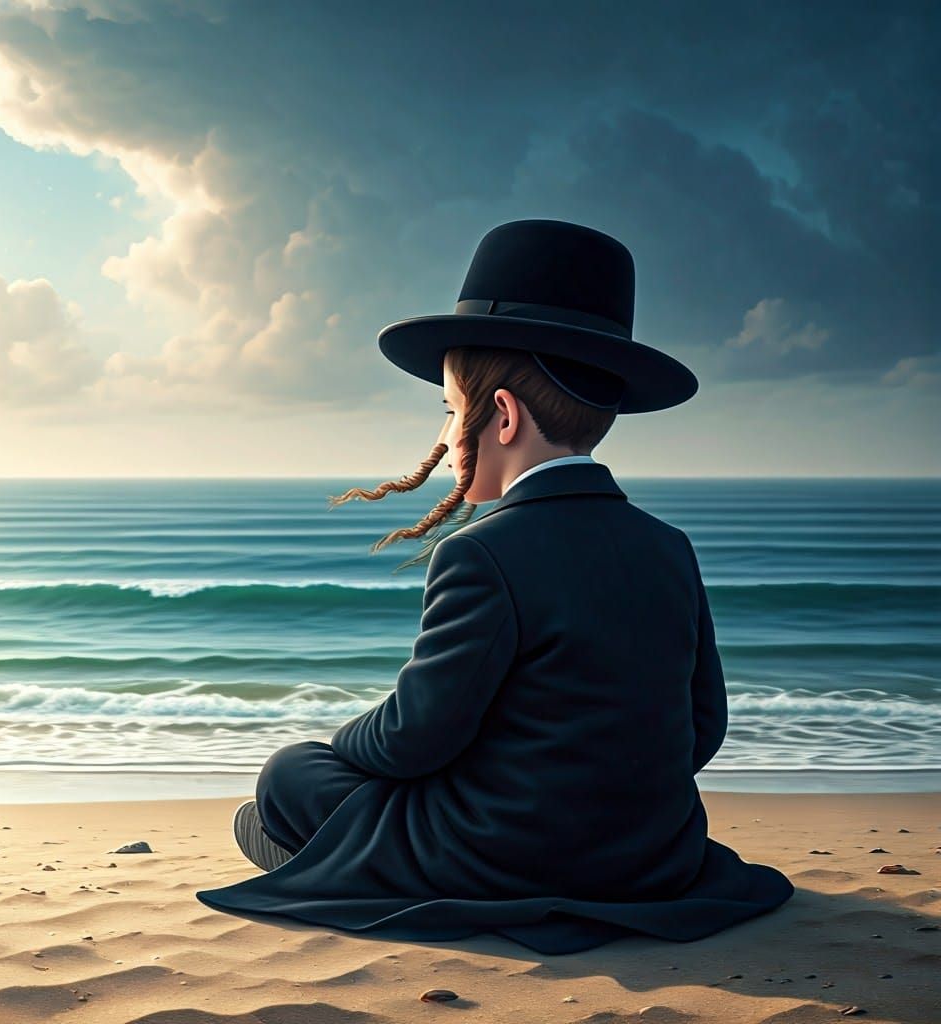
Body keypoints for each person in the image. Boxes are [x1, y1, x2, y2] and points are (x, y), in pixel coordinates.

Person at [195, 219, 794, 954]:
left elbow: (415, 739)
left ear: (502, 416)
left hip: (501, 855)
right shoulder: (669, 547)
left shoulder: (482, 553)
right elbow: (702, 728)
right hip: (647, 857)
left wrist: (343, 742)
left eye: (450, 412)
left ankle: (334, 865)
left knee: (292, 773)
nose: (446, 439)